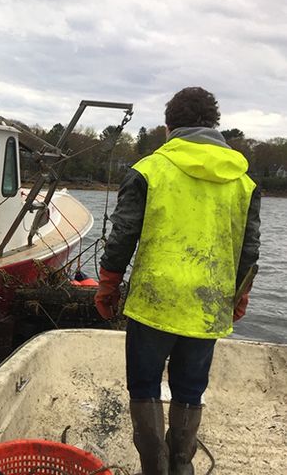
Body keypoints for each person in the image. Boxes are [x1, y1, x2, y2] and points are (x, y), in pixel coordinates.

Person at [95, 87, 260, 474]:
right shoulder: (244, 180)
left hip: (155, 302)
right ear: (213, 125)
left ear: (169, 127)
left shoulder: (149, 169)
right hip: (208, 305)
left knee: (145, 387)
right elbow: (249, 249)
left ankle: (154, 467)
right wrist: (240, 295)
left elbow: (122, 237)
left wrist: (107, 284)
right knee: (190, 390)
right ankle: (181, 466)